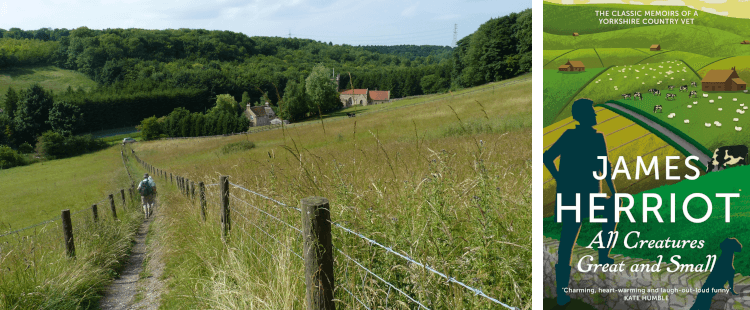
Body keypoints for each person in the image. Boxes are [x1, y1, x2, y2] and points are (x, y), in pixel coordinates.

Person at [543, 98, 619, 306]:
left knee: (568, 238)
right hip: (588, 195)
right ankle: (603, 256)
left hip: (571, 195)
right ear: (583, 115)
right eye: (592, 112)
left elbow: (547, 157)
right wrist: (613, 191)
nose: (595, 115)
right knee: (572, 236)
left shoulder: (569, 136)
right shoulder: (597, 138)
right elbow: (605, 167)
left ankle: (561, 292)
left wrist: (560, 179)